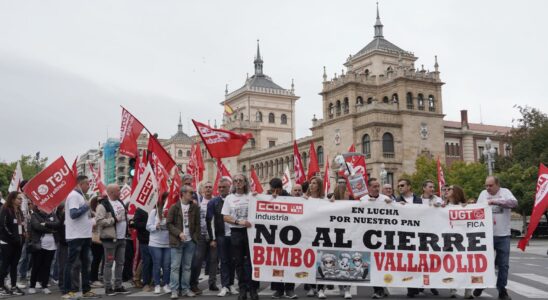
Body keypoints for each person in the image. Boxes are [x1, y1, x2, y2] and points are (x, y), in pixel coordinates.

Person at [474, 176, 517, 300]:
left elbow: (514, 203)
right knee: (483, 263)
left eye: (490, 186)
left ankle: (502, 290)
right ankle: (481, 284)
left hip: (503, 235)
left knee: (503, 265)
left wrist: (496, 201)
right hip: (485, 235)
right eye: (486, 185)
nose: (487, 188)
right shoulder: (483, 194)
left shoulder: (505, 192)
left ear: (497, 184)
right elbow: (476, 210)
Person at [222, 174, 259, 300]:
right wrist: (239, 222)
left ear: (245, 182)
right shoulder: (229, 198)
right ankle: (242, 289)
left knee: (252, 262)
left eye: (240, 180)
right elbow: (225, 217)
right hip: (236, 233)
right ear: (233, 183)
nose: (238, 182)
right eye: (235, 180)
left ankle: (253, 289)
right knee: (238, 262)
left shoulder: (252, 196)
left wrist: (270, 197)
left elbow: (266, 204)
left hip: (251, 233)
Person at [62, 175, 97, 299]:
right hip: (76, 236)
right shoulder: (74, 196)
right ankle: (67, 291)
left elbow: (82, 215)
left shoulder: (81, 196)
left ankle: (86, 290)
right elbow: (73, 214)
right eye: (87, 184)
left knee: (86, 263)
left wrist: (91, 215)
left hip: (84, 235)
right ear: (80, 184)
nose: (89, 186)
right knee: (72, 264)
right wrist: (86, 207)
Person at [95, 184, 130, 296]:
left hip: (122, 238)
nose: (120, 192)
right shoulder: (103, 205)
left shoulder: (120, 202)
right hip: (110, 239)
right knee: (109, 264)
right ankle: (108, 287)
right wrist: (114, 219)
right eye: (118, 190)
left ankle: (118, 285)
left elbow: (124, 216)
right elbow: (99, 221)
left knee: (120, 263)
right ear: (111, 192)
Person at [358, 178, 391, 299]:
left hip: (384, 237)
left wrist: (396, 205)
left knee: (382, 264)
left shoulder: (385, 199)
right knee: (373, 264)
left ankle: (381, 288)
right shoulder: (363, 200)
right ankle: (378, 290)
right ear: (369, 188)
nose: (377, 188)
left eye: (378, 186)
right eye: (374, 186)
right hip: (368, 237)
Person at [207, 178, 238, 297]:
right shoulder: (213, 202)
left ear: (229, 187)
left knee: (233, 261)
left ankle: (231, 284)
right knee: (224, 261)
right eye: (219, 187)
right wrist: (213, 239)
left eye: (223, 187)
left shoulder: (235, 200)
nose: (221, 189)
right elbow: (210, 222)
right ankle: (224, 285)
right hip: (221, 236)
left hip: (235, 234)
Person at [167, 184, 200, 299]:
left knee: (187, 267)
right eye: (191, 193)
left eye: (193, 192)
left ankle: (185, 289)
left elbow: (197, 224)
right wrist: (179, 233)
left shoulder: (195, 207)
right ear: (183, 194)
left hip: (190, 242)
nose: (193, 194)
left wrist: (195, 237)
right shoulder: (174, 207)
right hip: (177, 241)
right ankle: (174, 290)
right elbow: (169, 224)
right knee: (175, 267)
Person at [269, 178, 297, 299]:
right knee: (276, 262)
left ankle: (289, 289)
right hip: (274, 236)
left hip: (289, 236)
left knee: (289, 263)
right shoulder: (267, 197)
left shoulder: (290, 198)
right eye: (272, 190)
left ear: (281, 189)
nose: (275, 193)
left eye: (277, 190)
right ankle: (278, 290)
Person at [395, 179, 422, 298]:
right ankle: (411, 287)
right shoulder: (397, 200)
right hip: (404, 235)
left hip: (418, 234)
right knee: (408, 261)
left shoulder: (418, 200)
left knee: (417, 261)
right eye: (398, 186)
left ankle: (416, 285)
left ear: (409, 186)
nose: (400, 187)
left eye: (402, 185)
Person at [445, 185, 473, 299]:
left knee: (466, 265)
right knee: (451, 265)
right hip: (449, 240)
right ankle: (452, 289)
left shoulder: (465, 206)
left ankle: (468, 291)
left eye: (449, 189)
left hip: (463, 241)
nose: (446, 191)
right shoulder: (443, 206)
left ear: (456, 192)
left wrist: (468, 207)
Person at [190, 181, 218, 294]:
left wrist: (214, 238)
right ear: (202, 190)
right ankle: (194, 284)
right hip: (200, 235)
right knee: (197, 260)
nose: (208, 189)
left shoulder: (216, 201)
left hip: (213, 236)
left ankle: (212, 283)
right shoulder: (198, 202)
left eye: (210, 187)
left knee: (213, 261)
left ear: (213, 189)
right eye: (206, 187)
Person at [28, 204, 61, 294]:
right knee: (36, 265)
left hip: (52, 245)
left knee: (47, 266)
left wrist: (46, 224)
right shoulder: (34, 215)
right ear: (38, 207)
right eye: (42, 206)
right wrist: (50, 230)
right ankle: (32, 285)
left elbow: (57, 224)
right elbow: (37, 226)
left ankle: (44, 285)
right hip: (39, 244)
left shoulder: (52, 214)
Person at [304, 177, 327, 299]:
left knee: (321, 263)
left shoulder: (325, 200)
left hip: (322, 235)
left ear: (319, 186)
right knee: (310, 262)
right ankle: (312, 287)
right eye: (310, 183)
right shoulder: (304, 200)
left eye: (314, 183)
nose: (311, 185)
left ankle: (321, 289)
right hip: (307, 235)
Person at [0, 191, 26, 296]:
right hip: (7, 242)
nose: (21, 200)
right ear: (12, 199)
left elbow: (22, 224)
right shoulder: (5, 210)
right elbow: (3, 225)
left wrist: (24, 233)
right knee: (5, 264)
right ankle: (1, 286)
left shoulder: (19, 211)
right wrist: (12, 237)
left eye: (21, 198)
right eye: (19, 198)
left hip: (18, 242)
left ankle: (13, 286)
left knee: (14, 265)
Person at [147, 193, 171, 294]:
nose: (167, 202)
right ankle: (157, 284)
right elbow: (148, 226)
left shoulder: (172, 211)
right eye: (166, 199)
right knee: (157, 265)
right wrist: (155, 227)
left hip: (168, 243)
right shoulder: (154, 211)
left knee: (167, 265)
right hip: (155, 243)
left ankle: (166, 284)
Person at [133, 202, 153, 292]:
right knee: (146, 261)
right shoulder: (140, 210)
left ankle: (151, 281)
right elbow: (135, 224)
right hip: (144, 240)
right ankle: (145, 283)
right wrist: (148, 225)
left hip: (155, 240)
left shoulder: (155, 209)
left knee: (152, 261)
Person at [89, 196, 104, 288]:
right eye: (99, 202)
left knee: (98, 259)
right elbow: (92, 225)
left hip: (101, 238)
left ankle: (95, 277)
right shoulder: (93, 213)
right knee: (96, 259)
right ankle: (93, 279)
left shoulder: (99, 213)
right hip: (95, 239)